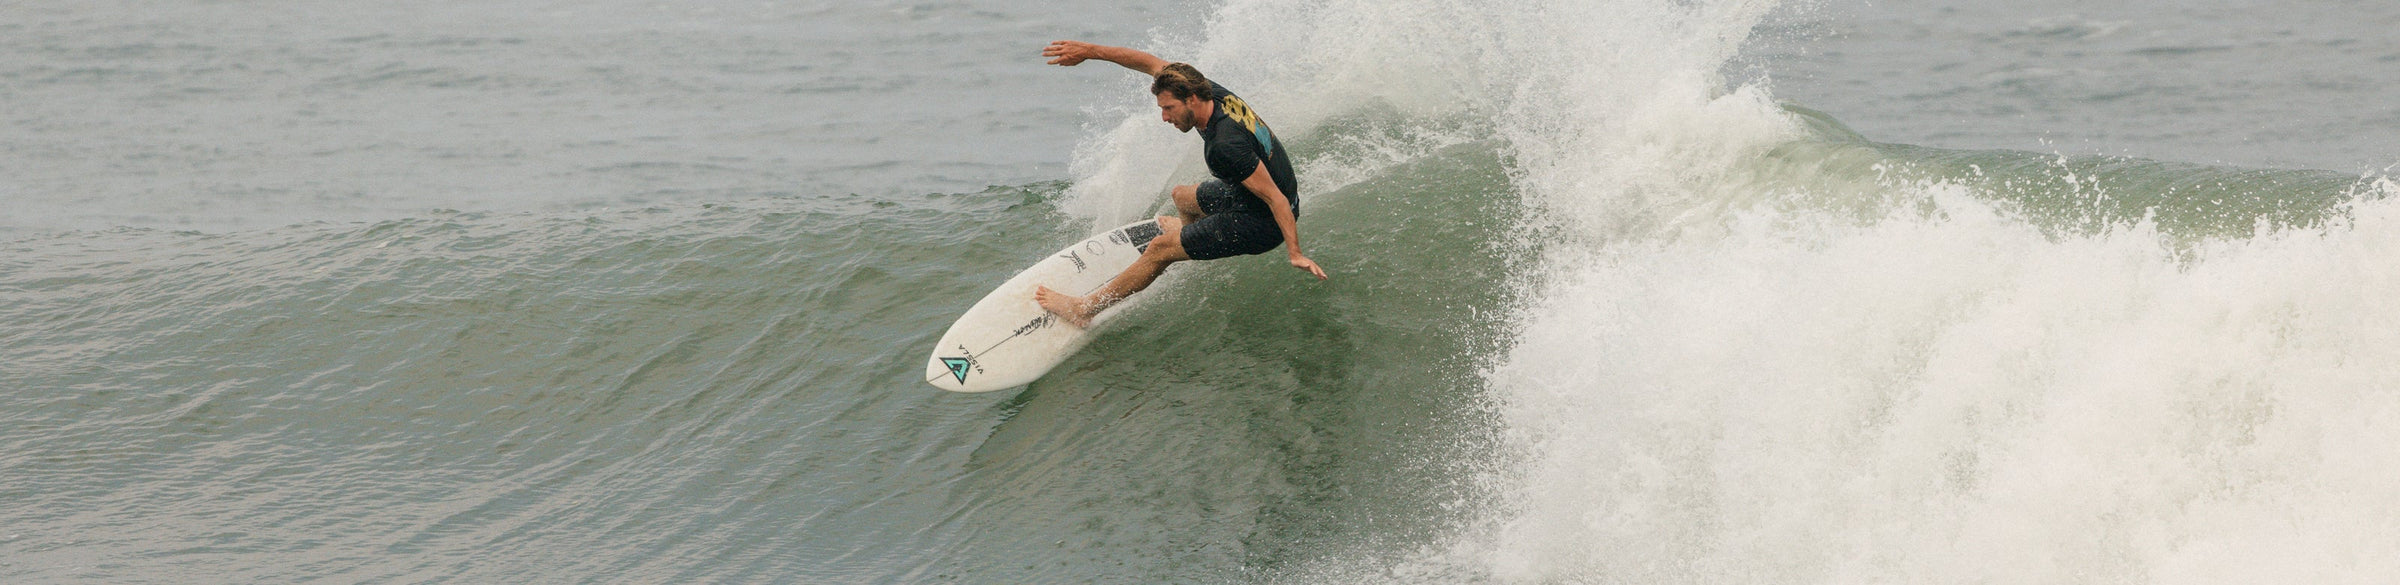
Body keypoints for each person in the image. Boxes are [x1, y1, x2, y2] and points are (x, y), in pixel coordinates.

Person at [1032, 40, 1328, 328]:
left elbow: (1276, 199)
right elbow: (1150, 63)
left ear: (1192, 100)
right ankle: (1189, 241)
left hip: (1263, 223)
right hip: (1246, 196)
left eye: (1169, 108)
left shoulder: (1225, 145)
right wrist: (1089, 51)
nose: (1164, 117)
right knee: (1182, 197)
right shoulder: (1209, 91)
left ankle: (1085, 309)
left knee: (1159, 247)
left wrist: (1295, 253)